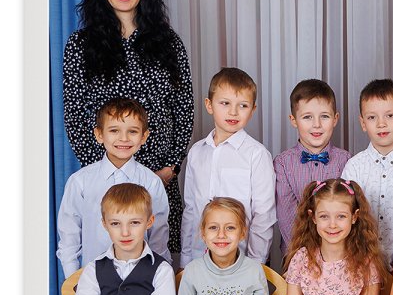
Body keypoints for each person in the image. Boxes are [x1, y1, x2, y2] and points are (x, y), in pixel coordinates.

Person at [62, 0, 194, 254]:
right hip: (106, 176)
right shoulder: (80, 45)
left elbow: (183, 108)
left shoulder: (168, 42)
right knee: (107, 259)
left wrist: (171, 168)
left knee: (156, 260)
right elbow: (74, 113)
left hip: (159, 176)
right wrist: (103, 171)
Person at [57, 97, 169, 277]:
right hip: (92, 280)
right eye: (114, 130)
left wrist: (159, 278)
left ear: (144, 136)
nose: (123, 138)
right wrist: (74, 281)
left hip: (140, 280)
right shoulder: (80, 182)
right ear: (99, 134)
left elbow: (159, 238)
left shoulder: (151, 182)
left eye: (132, 131)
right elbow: (69, 238)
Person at [180, 68, 275, 266]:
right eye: (225, 103)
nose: (233, 112)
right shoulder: (196, 152)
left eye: (243, 105)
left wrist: (256, 263)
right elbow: (191, 209)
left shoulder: (257, 155)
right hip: (199, 259)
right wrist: (186, 258)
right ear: (209, 105)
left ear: (253, 110)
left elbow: (263, 215)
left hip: (240, 261)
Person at [343, 78, 393, 268]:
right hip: (362, 262)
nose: (381, 124)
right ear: (362, 123)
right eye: (372, 117)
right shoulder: (354, 167)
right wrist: (365, 257)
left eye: (390, 116)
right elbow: (347, 214)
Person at [274, 79, 350, 251]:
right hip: (296, 253)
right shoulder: (283, 164)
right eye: (307, 117)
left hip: (338, 254)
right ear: (294, 120)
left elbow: (348, 213)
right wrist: (308, 255)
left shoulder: (347, 161)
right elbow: (287, 219)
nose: (317, 124)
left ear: (335, 119)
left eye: (324, 116)